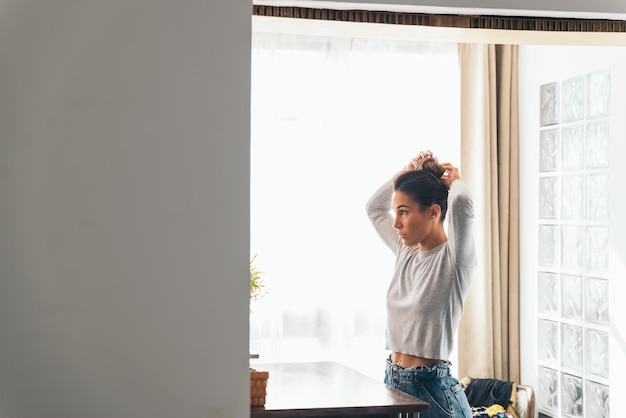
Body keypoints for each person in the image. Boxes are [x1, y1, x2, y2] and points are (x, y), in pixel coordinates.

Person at [366, 150, 477, 418]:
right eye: (396, 212)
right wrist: (404, 176)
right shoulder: (406, 251)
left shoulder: (455, 259)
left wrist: (455, 181)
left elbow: (461, 201)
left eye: (403, 212)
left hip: (432, 394)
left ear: (434, 212)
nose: (396, 223)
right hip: (392, 384)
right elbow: (373, 208)